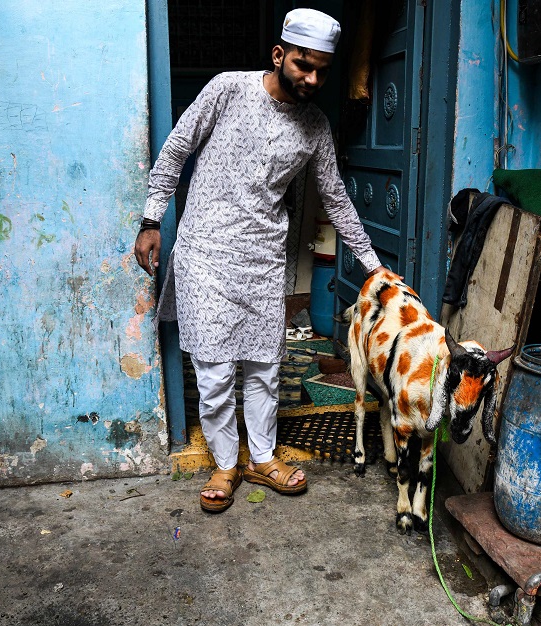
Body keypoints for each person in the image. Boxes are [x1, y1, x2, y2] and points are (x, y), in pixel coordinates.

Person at [134, 8, 382, 512]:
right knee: (215, 369)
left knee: (266, 367)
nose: (312, 79)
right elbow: (178, 148)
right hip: (205, 249)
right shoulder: (228, 89)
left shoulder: (314, 126)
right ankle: (226, 463)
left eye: (322, 70)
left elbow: (334, 197)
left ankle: (262, 458)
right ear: (279, 54)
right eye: (302, 65)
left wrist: (373, 265)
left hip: (263, 257)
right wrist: (150, 218)